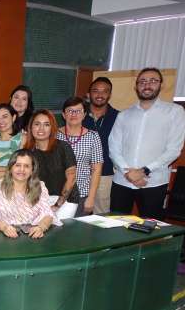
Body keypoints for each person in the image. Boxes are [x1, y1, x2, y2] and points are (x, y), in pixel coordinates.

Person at [109, 67, 185, 220]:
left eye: (153, 81)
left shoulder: (174, 112)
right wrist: (128, 173)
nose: (147, 85)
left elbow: (173, 150)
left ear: (161, 85)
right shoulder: (124, 115)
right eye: (142, 81)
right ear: (136, 86)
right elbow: (113, 147)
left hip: (153, 183)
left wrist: (144, 171)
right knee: (115, 226)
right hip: (122, 182)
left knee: (150, 229)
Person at [0, 149, 60, 238]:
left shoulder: (40, 187)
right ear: (11, 168)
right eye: (17, 165)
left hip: (32, 236)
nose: (22, 170)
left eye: (26, 166)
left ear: (32, 170)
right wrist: (4, 227)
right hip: (2, 235)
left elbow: (48, 214)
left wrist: (41, 227)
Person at [25, 109, 79, 216]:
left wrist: (57, 205)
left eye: (46, 124)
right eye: (37, 124)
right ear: (31, 127)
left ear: (52, 128)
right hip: (39, 200)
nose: (41, 128)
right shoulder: (28, 152)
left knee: (56, 229)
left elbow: (71, 178)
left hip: (66, 200)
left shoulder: (63, 147)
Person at [57, 97, 103, 216]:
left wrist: (91, 198)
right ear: (63, 114)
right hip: (57, 194)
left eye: (78, 111)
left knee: (79, 232)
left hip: (82, 194)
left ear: (84, 114)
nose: (74, 114)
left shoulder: (93, 136)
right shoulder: (54, 135)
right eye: (70, 110)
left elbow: (96, 169)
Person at [83, 77, 119, 214]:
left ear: (109, 95)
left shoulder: (118, 117)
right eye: (95, 91)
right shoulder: (79, 115)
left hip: (106, 174)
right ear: (89, 94)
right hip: (80, 173)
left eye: (105, 91)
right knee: (77, 213)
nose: (100, 95)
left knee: (101, 215)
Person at [0, 103, 25, 171]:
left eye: (5, 117)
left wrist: (2, 169)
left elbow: (24, 166)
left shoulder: (22, 139)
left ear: (13, 118)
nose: (1, 121)